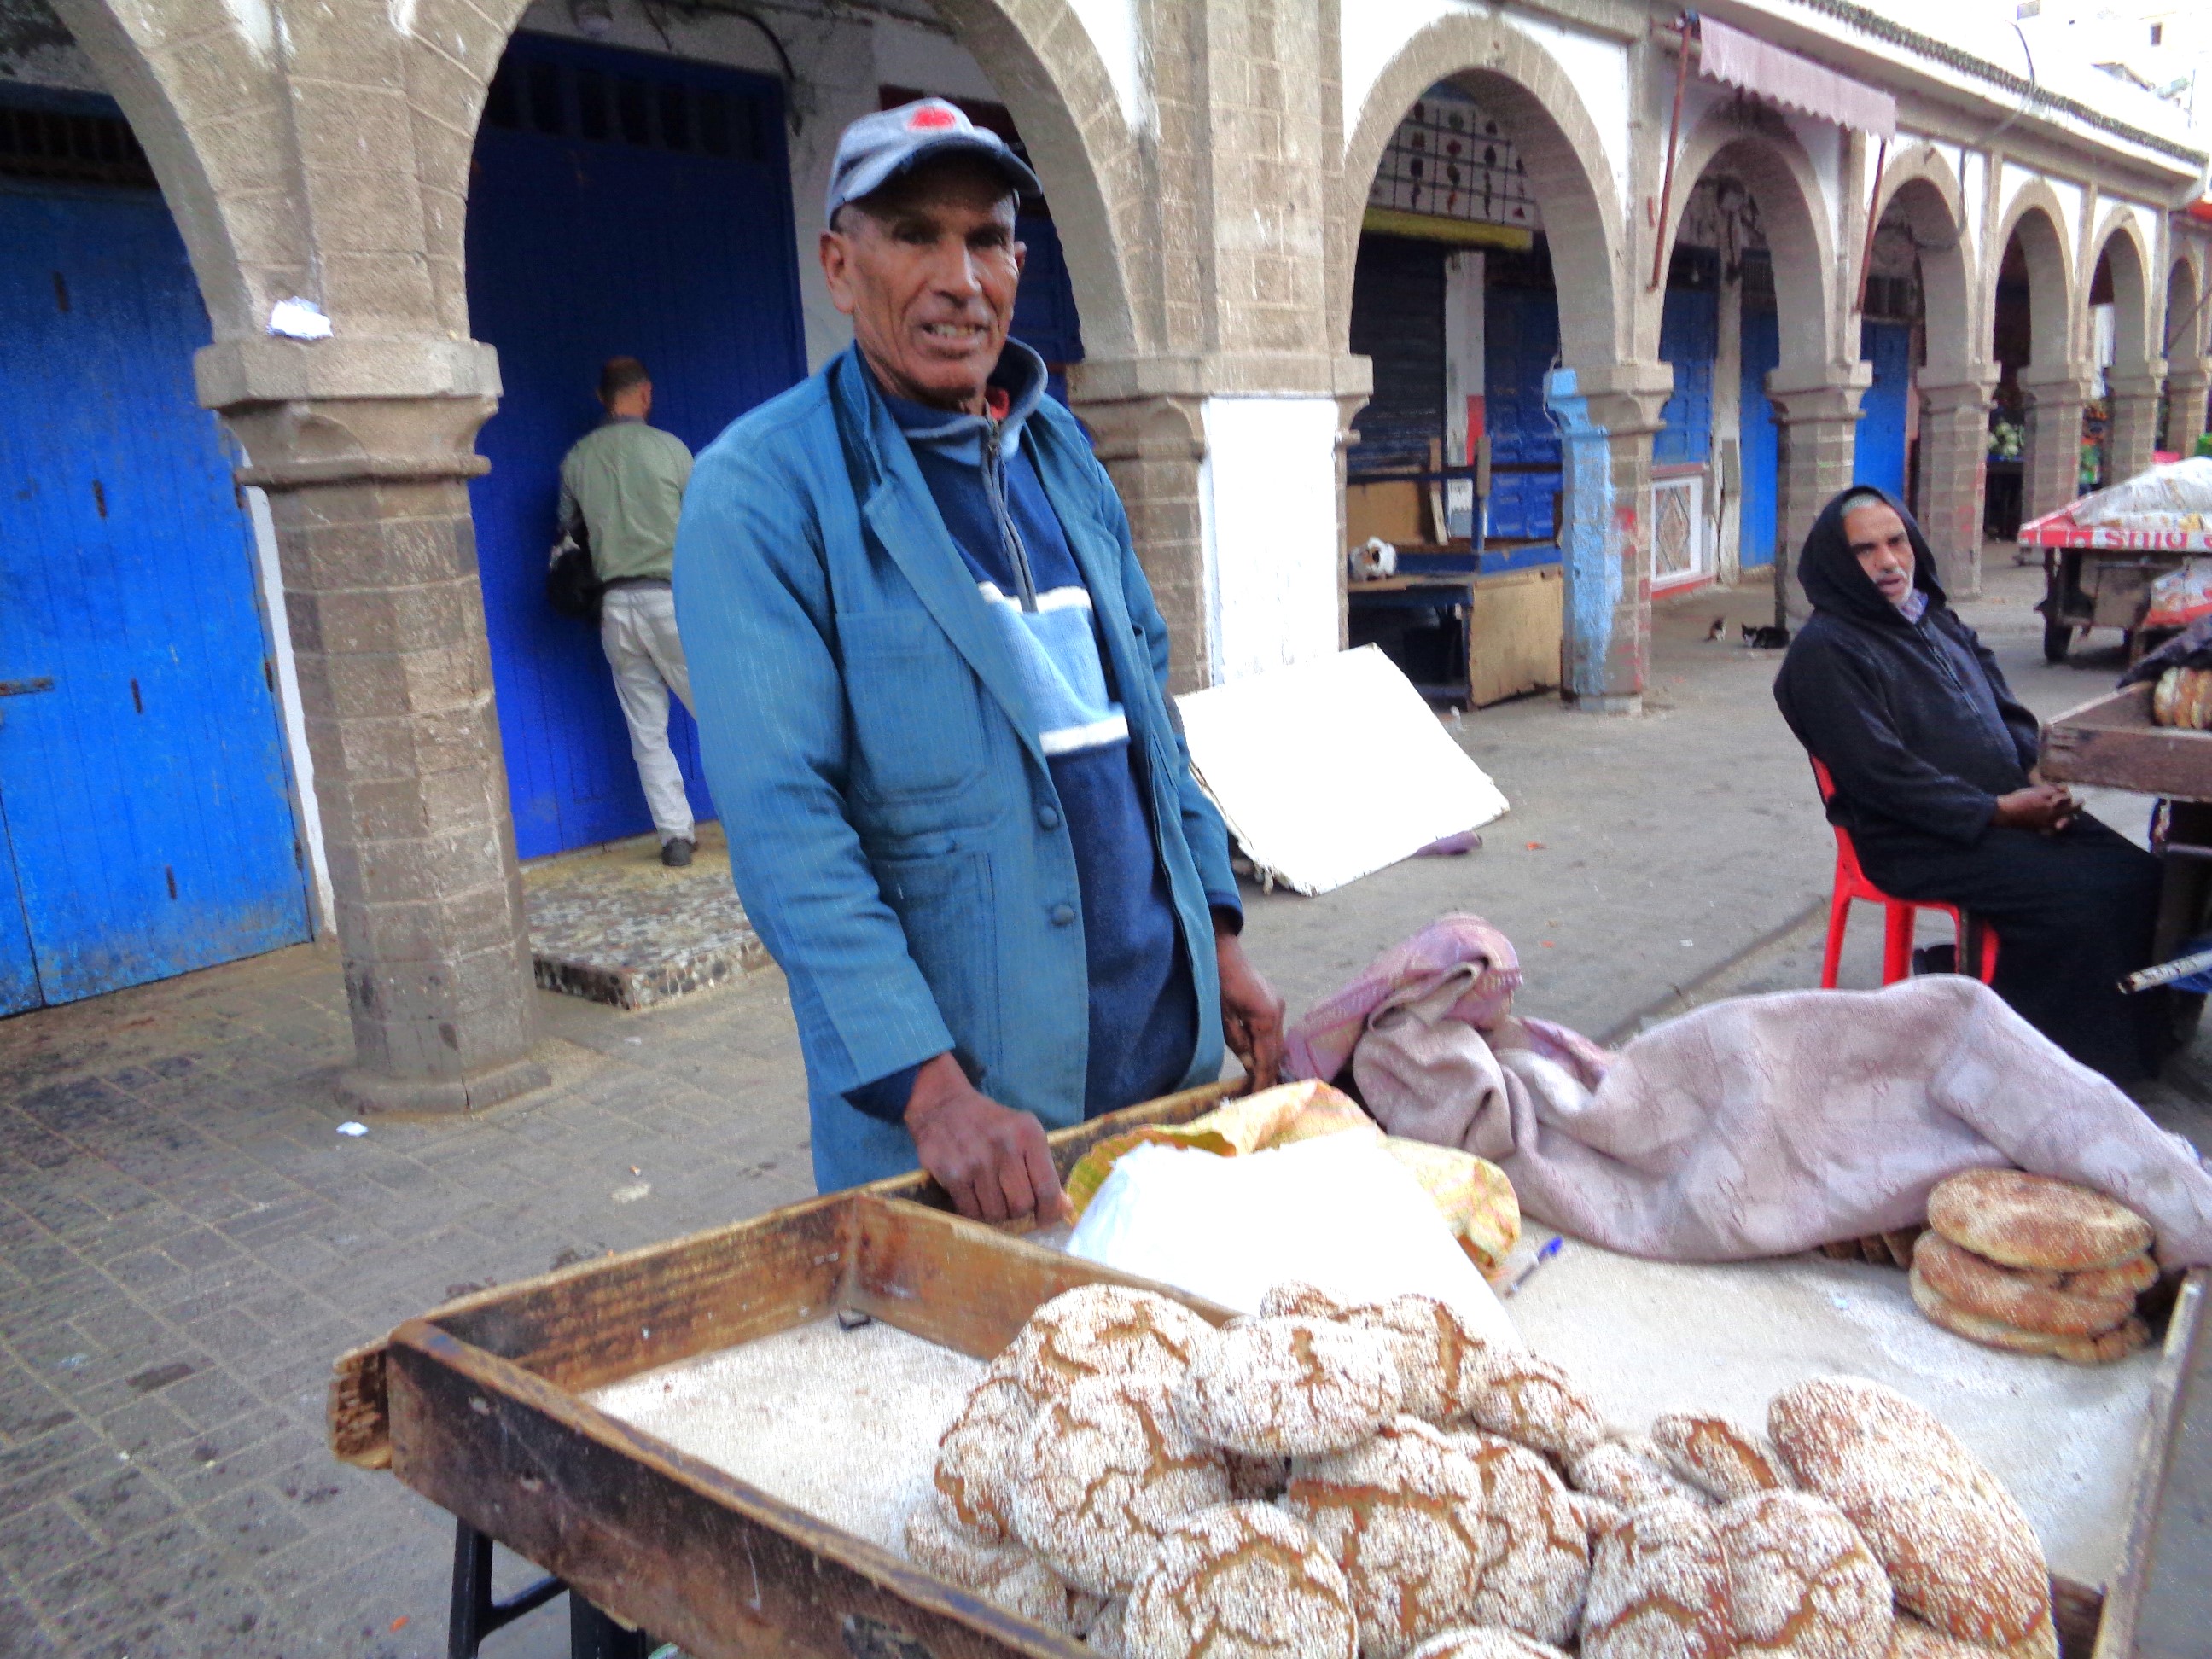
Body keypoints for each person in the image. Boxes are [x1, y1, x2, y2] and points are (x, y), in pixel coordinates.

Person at [673, 98, 1285, 1214]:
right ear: (839, 265)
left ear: (1017, 264)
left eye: (987, 239)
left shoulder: (1060, 451)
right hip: (976, 1136)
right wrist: (932, 1095)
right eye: (916, 235)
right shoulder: (762, 492)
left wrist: (1221, 936)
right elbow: (786, 825)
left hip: (1169, 1075)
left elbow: (1151, 725)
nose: (961, 279)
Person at [1773, 486, 2167, 1084]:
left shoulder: (1935, 619)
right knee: (2077, 904)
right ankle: (2032, 1071)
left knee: (2144, 878)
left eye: (1897, 541)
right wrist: (1999, 811)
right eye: (1865, 550)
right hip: (1913, 836)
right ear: (1837, 563)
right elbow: (1881, 775)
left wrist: (2038, 777)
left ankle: (2130, 1047)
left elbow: (2008, 713)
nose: (1888, 561)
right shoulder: (1825, 653)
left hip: (2005, 809)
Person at [558, 356, 700, 867]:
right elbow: (703, 522)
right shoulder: (671, 450)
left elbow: (567, 534)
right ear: (645, 393)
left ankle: (675, 837)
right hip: (672, 601)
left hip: (616, 608)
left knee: (647, 731)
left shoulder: (577, 459)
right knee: (721, 718)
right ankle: (761, 826)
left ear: (602, 398)